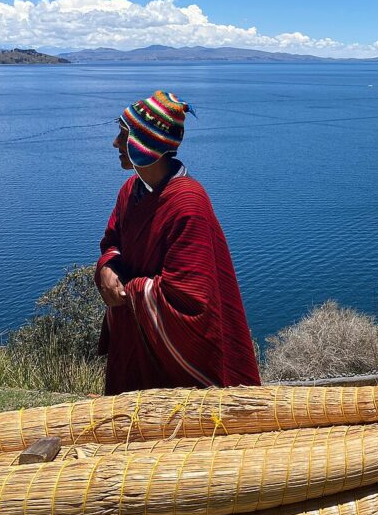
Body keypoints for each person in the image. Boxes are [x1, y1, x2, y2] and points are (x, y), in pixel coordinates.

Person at [94, 91, 261, 394]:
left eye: (123, 134)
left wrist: (129, 289)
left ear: (146, 144)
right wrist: (108, 268)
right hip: (137, 341)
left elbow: (189, 302)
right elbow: (112, 242)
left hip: (173, 367)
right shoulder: (131, 190)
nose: (115, 143)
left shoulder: (188, 203)